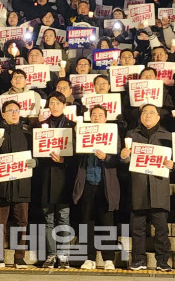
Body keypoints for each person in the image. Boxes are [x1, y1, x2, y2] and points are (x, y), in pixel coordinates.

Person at [120, 103, 172, 272]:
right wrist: (124, 157)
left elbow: (174, 164)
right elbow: (126, 162)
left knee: (162, 229)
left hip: (159, 187)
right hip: (139, 187)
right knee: (138, 228)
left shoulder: (167, 136)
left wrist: (172, 165)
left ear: (158, 117)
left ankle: (163, 261)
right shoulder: (132, 135)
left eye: (152, 112)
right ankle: (138, 260)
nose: (148, 115)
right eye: (145, 112)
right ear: (140, 116)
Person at [72, 104, 120, 271]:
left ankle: (108, 259)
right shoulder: (83, 132)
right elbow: (73, 154)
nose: (97, 117)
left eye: (100, 115)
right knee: (87, 222)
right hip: (87, 184)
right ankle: (89, 258)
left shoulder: (112, 134)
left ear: (106, 118)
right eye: (94, 115)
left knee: (107, 222)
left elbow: (118, 159)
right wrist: (77, 134)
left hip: (106, 185)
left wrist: (106, 157)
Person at [0, 100, 34, 269]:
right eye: (10, 110)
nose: (14, 113)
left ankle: (19, 257)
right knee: (0, 223)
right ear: (3, 114)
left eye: (17, 110)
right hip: (3, 185)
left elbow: (34, 156)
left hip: (22, 184)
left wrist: (32, 163)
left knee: (22, 222)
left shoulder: (27, 132)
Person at [36, 91, 76, 269]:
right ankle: (51, 255)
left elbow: (77, 155)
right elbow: (35, 152)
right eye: (51, 103)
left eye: (58, 103)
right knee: (48, 219)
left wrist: (64, 160)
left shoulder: (72, 126)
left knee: (64, 219)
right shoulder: (40, 125)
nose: (54, 106)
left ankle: (64, 256)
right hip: (45, 178)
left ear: (64, 105)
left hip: (64, 178)